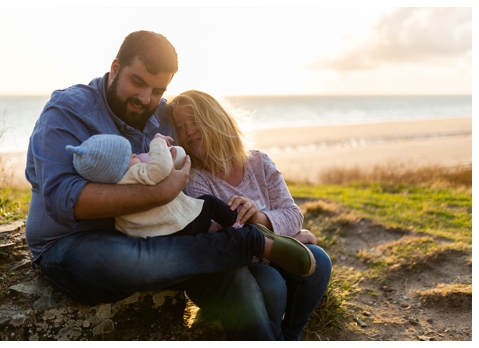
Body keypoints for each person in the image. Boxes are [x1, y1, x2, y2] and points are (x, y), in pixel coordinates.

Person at [24, 30, 313, 340]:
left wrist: (259, 210)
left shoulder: (162, 114)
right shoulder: (67, 110)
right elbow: (62, 198)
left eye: (158, 89)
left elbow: (204, 148)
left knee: (227, 270)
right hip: (77, 241)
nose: (146, 98)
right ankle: (248, 243)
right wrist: (159, 193)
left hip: (163, 234)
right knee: (121, 259)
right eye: (137, 82)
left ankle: (250, 255)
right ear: (115, 68)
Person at [170, 89, 333, 341]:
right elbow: (218, 236)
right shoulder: (194, 177)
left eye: (195, 120)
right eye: (180, 126)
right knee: (271, 283)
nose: (188, 131)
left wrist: (258, 218)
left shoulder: (259, 162)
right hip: (233, 269)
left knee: (319, 260)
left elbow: (292, 214)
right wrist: (290, 239)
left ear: (216, 119)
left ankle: (290, 337)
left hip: (266, 258)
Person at [65, 133, 241, 238]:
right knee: (209, 203)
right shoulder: (135, 174)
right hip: (179, 226)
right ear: (119, 167)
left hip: (157, 235)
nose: (138, 156)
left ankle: (211, 229)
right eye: (133, 157)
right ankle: (237, 224)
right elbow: (161, 169)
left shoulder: (116, 186)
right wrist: (157, 143)